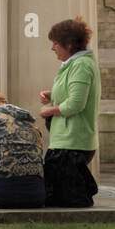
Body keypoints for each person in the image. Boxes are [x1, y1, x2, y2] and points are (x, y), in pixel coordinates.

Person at [40, 17, 101, 208]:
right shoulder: (76, 64)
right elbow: (73, 94)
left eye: (55, 43)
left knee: (65, 196)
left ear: (69, 45)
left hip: (72, 139)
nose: (53, 48)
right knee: (56, 190)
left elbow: (75, 104)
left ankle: (87, 190)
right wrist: (53, 96)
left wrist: (48, 110)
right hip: (66, 139)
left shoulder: (81, 65)